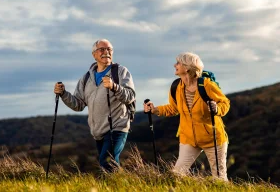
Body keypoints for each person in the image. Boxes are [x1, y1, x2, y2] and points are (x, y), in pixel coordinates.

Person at [143, 52, 230, 181]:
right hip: (188, 138)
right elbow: (173, 108)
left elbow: (225, 103)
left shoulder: (207, 85)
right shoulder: (176, 87)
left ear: (187, 68)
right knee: (176, 175)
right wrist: (155, 110)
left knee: (219, 178)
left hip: (212, 139)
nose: (174, 65)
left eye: (178, 63)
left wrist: (217, 109)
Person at [54, 39, 136, 172]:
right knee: (110, 164)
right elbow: (78, 104)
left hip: (117, 126)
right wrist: (63, 93)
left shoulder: (120, 72)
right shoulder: (86, 78)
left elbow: (130, 96)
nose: (106, 52)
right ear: (94, 54)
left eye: (109, 49)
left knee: (106, 161)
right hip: (98, 131)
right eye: (102, 49)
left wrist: (114, 86)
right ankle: (119, 185)